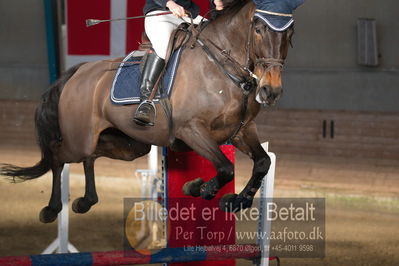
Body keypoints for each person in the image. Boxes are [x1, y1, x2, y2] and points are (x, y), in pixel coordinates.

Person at [134, 0, 224, 126]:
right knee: (163, 48)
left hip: (187, 15)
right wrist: (170, 3)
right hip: (160, 13)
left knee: (216, 38)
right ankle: (146, 101)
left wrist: (217, 3)